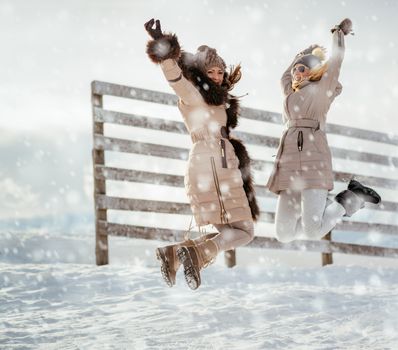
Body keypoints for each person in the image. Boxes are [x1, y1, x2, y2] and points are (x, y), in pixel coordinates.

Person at [144, 18, 259, 290]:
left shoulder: (219, 102)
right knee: (245, 232)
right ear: (201, 72)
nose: (217, 76)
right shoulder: (194, 94)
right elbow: (175, 78)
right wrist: (164, 48)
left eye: (221, 71)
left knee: (234, 232)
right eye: (212, 71)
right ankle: (198, 253)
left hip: (215, 165)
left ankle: (175, 254)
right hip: (214, 166)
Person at [267, 18, 381, 243]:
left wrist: (338, 34)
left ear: (313, 72)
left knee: (312, 231)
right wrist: (303, 53)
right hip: (289, 166)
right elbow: (284, 77)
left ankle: (350, 198)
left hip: (314, 163)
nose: (296, 73)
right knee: (283, 234)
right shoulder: (290, 94)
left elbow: (336, 62)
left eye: (302, 69)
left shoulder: (321, 90)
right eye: (295, 70)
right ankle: (333, 204)